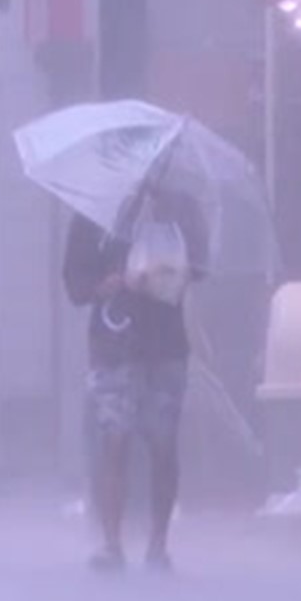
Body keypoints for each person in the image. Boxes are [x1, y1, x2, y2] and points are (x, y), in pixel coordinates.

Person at [62, 187, 208, 573]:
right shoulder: (96, 213)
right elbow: (75, 284)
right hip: (115, 343)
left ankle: (158, 543)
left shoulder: (180, 209)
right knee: (114, 440)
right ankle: (112, 543)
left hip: (165, 343)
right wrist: (104, 286)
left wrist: (172, 265)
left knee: (164, 445)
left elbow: (201, 266)